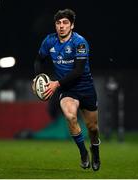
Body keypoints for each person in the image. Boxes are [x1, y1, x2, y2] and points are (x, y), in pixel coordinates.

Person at [32, 8, 101, 171]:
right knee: (70, 116)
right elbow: (38, 60)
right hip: (67, 89)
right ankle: (83, 153)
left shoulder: (80, 42)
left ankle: (95, 150)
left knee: (93, 128)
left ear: (72, 25)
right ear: (55, 25)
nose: (61, 26)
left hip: (85, 87)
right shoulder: (49, 41)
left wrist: (56, 84)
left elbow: (78, 71)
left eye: (65, 23)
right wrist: (37, 78)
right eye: (58, 23)